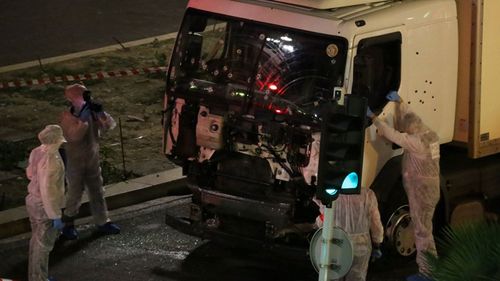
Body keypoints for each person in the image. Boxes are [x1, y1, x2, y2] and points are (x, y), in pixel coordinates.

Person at [367, 91, 440, 281]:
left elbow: (394, 136)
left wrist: (374, 118)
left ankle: (428, 273)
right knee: (424, 229)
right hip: (428, 191)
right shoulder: (428, 133)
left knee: (423, 232)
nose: (405, 130)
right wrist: (401, 102)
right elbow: (411, 117)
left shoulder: (417, 141)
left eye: (406, 129)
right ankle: (428, 270)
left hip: (421, 192)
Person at [59, 83, 120, 239]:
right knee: (74, 193)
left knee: (97, 192)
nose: (85, 98)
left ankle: (103, 221)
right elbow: (75, 136)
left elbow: (109, 126)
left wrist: (100, 113)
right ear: (71, 99)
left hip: (92, 159)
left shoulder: (91, 113)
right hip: (75, 161)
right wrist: (83, 118)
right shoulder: (67, 117)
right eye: (81, 95)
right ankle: (68, 225)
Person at [314, 188, 384, 281]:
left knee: (334, 277)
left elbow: (324, 221)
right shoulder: (368, 194)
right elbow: (375, 222)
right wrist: (377, 242)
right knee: (356, 277)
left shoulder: (330, 194)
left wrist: (316, 223)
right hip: (360, 247)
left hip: (336, 246)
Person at [26, 125, 67, 281]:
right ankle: (39, 278)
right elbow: (48, 191)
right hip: (44, 206)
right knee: (43, 245)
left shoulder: (37, 151)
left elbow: (30, 173)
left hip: (33, 201)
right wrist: (55, 215)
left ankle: (35, 276)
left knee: (36, 241)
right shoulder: (52, 160)